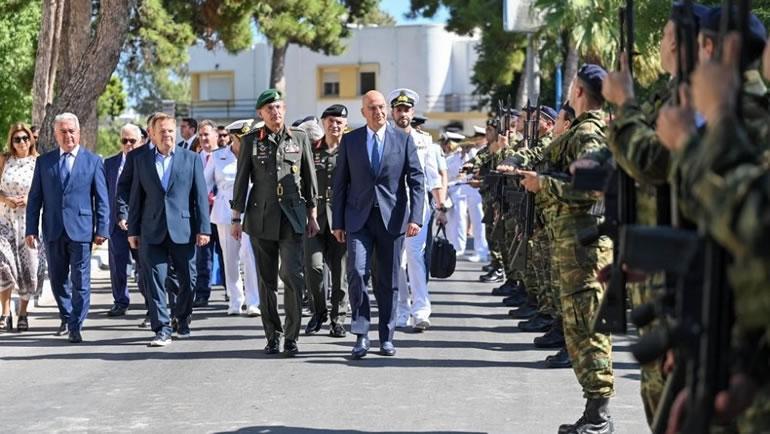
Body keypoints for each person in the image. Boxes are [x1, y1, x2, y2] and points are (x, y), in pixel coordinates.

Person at [516, 65, 614, 433]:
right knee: (580, 329)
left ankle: (600, 417)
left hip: (585, 249)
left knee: (589, 329)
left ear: (579, 93)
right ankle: (594, 413)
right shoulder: (586, 131)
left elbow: (592, 187)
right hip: (577, 247)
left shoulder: (588, 132)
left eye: (572, 87)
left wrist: (544, 184)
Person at [331, 90, 425, 358]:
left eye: (382, 107)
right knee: (357, 273)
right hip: (358, 220)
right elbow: (339, 185)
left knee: (388, 280)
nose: (379, 112)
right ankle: (361, 335)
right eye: (372, 108)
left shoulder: (403, 140)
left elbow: (417, 181)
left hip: (392, 219)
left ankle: (386, 336)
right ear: (363, 112)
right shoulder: (351, 141)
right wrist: (337, 221)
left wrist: (415, 217)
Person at [230, 89, 319, 356]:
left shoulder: (299, 138)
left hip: (292, 217)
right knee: (266, 281)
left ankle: (291, 336)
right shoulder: (250, 142)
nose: (275, 112)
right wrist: (236, 217)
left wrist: (312, 213)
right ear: (261, 114)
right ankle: (272, 335)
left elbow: (309, 177)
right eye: (269, 109)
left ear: (284, 109)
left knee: (293, 275)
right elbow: (241, 181)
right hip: (260, 218)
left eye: (279, 107)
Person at [25, 112, 109, 343]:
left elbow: (101, 199)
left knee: (81, 279)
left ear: (79, 133)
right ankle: (67, 314)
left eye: (71, 131)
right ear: (55, 134)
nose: (68, 135)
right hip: (53, 228)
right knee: (58, 277)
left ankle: (75, 325)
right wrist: (30, 229)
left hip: (81, 229)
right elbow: (35, 198)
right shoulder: (44, 162)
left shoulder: (93, 161)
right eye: (63, 131)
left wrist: (102, 229)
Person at [128, 113, 211, 347]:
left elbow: (200, 197)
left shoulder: (190, 158)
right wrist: (132, 231)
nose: (167, 135)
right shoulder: (141, 160)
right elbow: (136, 197)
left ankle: (182, 318)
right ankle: (161, 329)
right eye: (162, 131)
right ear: (152, 135)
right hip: (151, 230)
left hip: (183, 229)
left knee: (189, 280)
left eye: (171, 131)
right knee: (154, 281)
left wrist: (203, 228)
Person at [388, 88, 446, 332]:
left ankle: (421, 309)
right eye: (399, 109)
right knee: (396, 262)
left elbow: (432, 177)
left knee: (414, 256)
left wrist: (440, 205)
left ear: (413, 112)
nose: (403, 113)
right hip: (391, 206)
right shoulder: (386, 138)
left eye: (407, 109)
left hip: (417, 206)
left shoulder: (425, 141)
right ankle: (402, 308)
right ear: (393, 112)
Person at [204, 119, 260, 316]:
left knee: (249, 255)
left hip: (251, 212)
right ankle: (235, 300)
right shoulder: (218, 156)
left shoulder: (254, 155)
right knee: (230, 258)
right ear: (234, 138)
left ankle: (253, 301)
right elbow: (205, 184)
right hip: (224, 212)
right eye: (241, 138)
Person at [301, 105, 348, 338]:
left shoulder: (351, 150)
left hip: (341, 221)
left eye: (339, 121)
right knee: (314, 268)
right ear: (322, 123)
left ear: (345, 125)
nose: (335, 125)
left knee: (340, 274)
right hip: (314, 220)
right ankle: (318, 312)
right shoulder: (310, 150)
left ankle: (338, 318)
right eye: (330, 120)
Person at [105, 123, 147, 318]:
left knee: (144, 266)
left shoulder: (146, 162)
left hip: (141, 225)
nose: (128, 144)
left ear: (141, 141)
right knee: (118, 266)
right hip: (115, 224)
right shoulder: (110, 164)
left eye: (133, 141)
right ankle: (120, 301)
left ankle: (151, 303)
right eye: (124, 141)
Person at [0, 123, 39, 332]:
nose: (22, 142)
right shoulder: (4, 160)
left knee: (28, 270)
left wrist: (29, 199)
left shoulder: (38, 162)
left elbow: (45, 192)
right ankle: (5, 313)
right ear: (11, 142)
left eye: (25, 138)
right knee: (2, 264)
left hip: (28, 223)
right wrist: (5, 199)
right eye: (17, 139)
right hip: (4, 222)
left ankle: (23, 313)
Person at [193, 119, 221, 307]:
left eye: (206, 134)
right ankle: (202, 293)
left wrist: (217, 197)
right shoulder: (194, 157)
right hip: (202, 215)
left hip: (222, 212)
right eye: (200, 135)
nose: (203, 138)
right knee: (203, 256)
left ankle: (231, 291)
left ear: (216, 136)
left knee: (228, 255)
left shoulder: (225, 156)